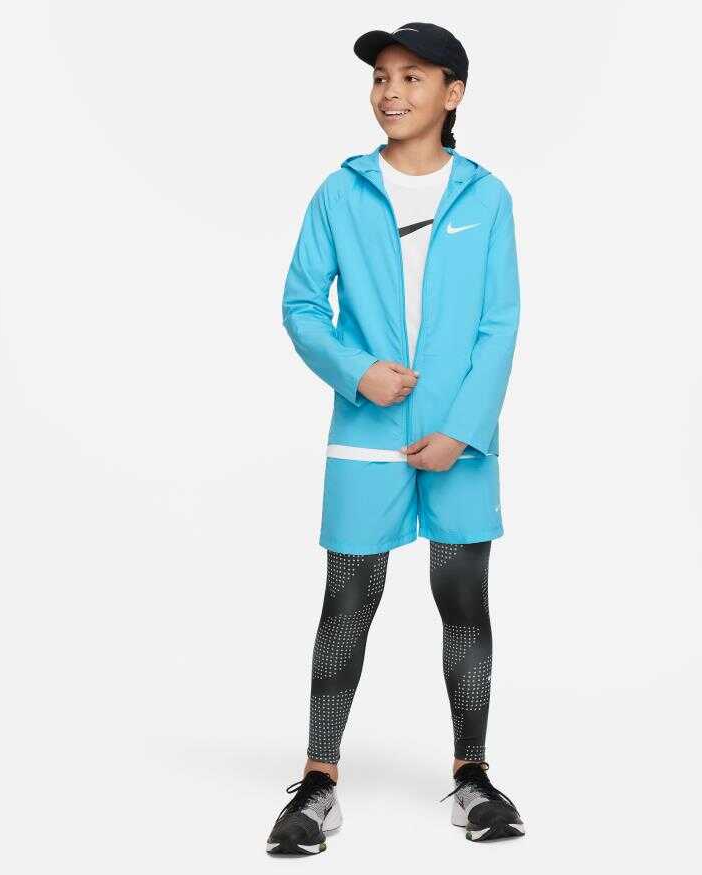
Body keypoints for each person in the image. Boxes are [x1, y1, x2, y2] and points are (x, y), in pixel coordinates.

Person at [266, 22, 524, 855]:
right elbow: (302, 304)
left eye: (413, 77)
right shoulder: (340, 191)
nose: (391, 92)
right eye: (381, 76)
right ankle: (317, 782)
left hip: (458, 440)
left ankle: (473, 775)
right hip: (365, 431)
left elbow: (498, 323)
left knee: (463, 601)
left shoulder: (485, 197)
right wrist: (355, 371)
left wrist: (463, 429)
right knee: (347, 600)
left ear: (452, 93)